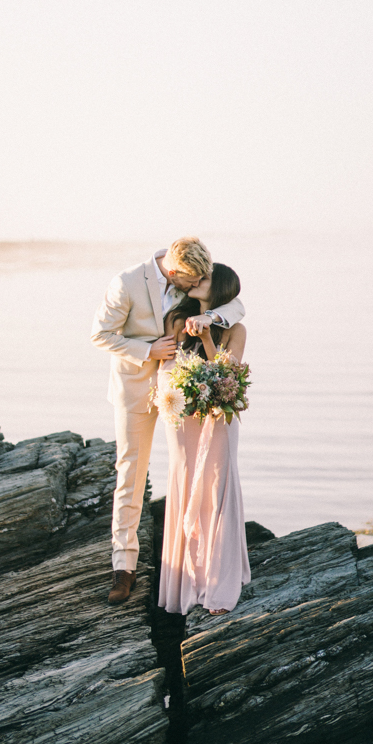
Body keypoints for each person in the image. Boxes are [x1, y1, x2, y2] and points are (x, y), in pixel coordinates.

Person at [91, 237, 245, 604]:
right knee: (130, 471)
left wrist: (210, 316)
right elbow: (100, 334)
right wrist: (146, 350)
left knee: (194, 470)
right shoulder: (126, 283)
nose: (194, 288)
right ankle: (123, 567)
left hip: (184, 389)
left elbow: (233, 300)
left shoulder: (194, 269)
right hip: (136, 388)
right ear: (174, 273)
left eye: (199, 282)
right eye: (190, 283)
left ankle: (203, 561)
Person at [158, 263, 251, 616]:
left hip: (218, 418)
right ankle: (187, 579)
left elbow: (227, 375)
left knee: (217, 487)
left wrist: (208, 335)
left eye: (206, 278)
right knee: (183, 481)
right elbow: (166, 366)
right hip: (182, 417)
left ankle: (217, 581)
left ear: (220, 289)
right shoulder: (176, 320)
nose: (196, 280)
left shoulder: (237, 330)